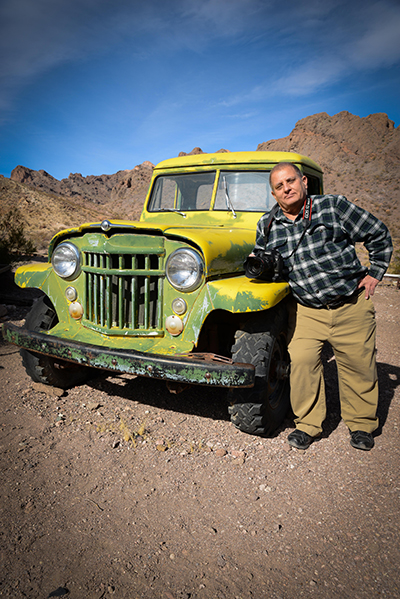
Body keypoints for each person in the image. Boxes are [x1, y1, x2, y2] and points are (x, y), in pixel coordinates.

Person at [253, 162, 393, 451]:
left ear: (304, 181)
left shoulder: (333, 207)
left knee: (359, 366)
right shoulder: (267, 225)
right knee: (302, 363)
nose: (286, 188)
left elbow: (378, 232)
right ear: (273, 193)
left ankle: (362, 425)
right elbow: (261, 260)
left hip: (350, 303)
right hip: (306, 310)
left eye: (290, 181)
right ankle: (307, 425)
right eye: (279, 186)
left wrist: (375, 272)